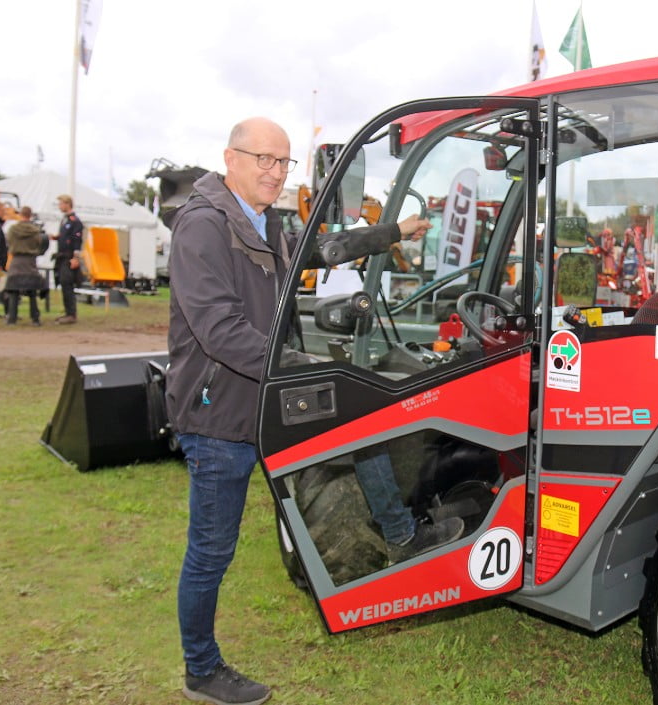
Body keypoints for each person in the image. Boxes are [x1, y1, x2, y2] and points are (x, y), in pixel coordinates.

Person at [166, 116, 457, 705]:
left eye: (284, 162)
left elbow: (324, 249)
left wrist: (392, 231)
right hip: (219, 409)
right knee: (212, 548)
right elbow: (219, 330)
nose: (275, 172)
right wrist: (301, 365)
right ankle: (201, 669)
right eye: (264, 160)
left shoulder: (266, 222)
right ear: (231, 158)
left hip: (267, 390)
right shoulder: (202, 227)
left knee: (358, 421)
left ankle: (400, 536)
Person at [4, 207, 47, 326]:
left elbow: (9, 242)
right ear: (30, 215)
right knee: (32, 292)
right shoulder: (35, 230)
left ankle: (11, 319)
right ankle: (35, 319)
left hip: (16, 261)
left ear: (21, 215)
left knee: (13, 291)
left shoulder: (13, 229)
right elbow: (39, 244)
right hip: (30, 262)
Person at [51, 194, 83, 324]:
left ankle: (71, 314)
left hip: (69, 258)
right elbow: (66, 237)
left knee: (67, 283)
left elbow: (77, 240)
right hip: (62, 257)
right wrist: (57, 237)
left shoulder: (75, 221)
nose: (59, 206)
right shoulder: (65, 220)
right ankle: (68, 312)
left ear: (67, 204)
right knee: (63, 284)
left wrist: (76, 258)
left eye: (60, 203)